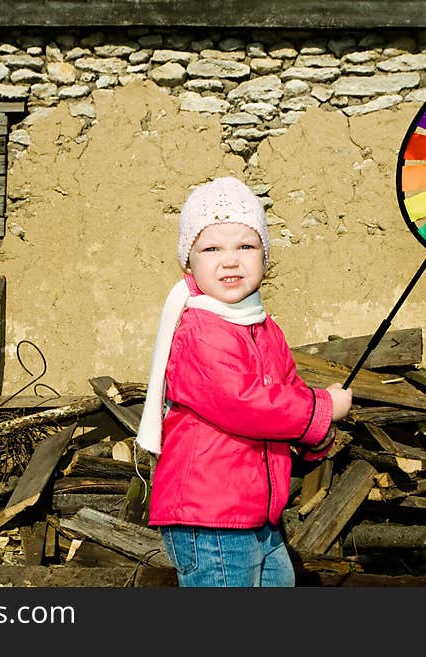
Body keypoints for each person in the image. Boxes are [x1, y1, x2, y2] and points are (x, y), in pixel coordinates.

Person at [135, 176, 353, 587]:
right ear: (189, 262)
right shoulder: (200, 330)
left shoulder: (264, 327)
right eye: (212, 248)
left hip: (257, 512)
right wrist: (323, 408)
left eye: (246, 246)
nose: (230, 260)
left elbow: (285, 394)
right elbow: (245, 403)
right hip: (210, 515)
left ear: (265, 258)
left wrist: (314, 438)